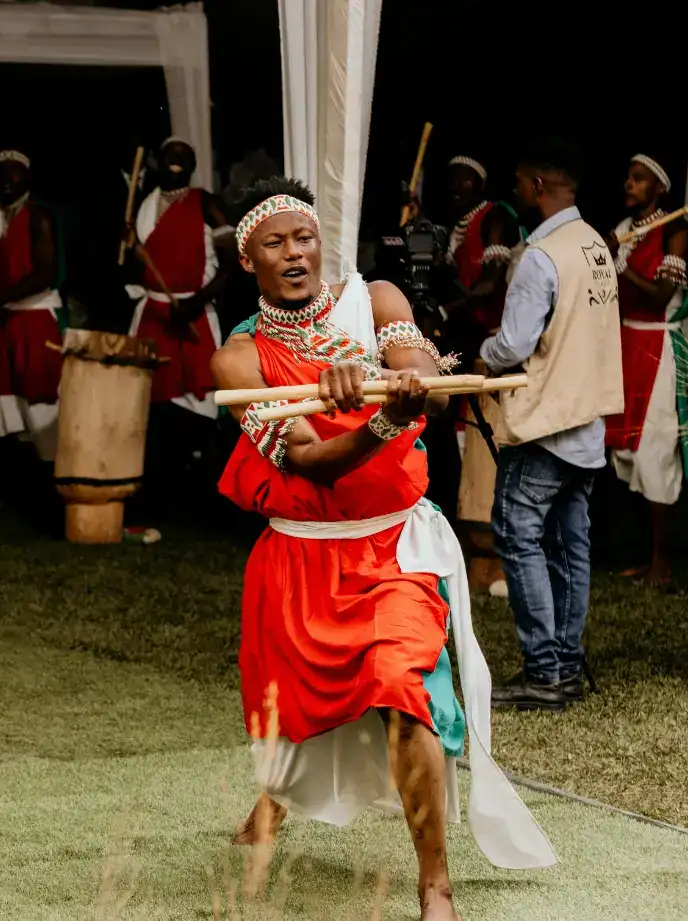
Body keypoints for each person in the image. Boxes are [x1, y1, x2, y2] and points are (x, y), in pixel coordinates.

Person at [211, 178, 554, 921]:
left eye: (304, 236)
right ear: (250, 259)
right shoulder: (239, 358)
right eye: (275, 242)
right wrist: (372, 423)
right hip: (300, 560)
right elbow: (307, 461)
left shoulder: (377, 301)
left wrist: (391, 384)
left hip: (391, 551)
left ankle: (436, 884)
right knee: (297, 714)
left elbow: (423, 373)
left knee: (407, 696)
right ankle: (273, 804)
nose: (295, 252)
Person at [482, 139, 622, 711]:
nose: (516, 188)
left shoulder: (539, 255)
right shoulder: (593, 243)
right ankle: (562, 665)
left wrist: (481, 351)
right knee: (571, 546)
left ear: (538, 184)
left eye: (519, 179)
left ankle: (545, 671)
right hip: (587, 419)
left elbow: (513, 344)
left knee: (520, 537)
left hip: (545, 420)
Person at [120, 137, 236, 511]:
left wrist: (197, 302)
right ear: (155, 159)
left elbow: (234, 261)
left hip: (195, 315)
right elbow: (135, 266)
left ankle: (211, 497)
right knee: (151, 406)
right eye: (170, 154)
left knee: (199, 408)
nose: (176, 162)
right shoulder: (142, 206)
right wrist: (126, 251)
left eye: (185, 158)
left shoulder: (207, 204)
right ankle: (155, 493)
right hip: (153, 315)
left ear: (194, 166)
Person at [604, 154, 688, 586]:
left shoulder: (677, 231)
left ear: (659, 189)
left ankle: (662, 562)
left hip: (658, 345)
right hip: (623, 343)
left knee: (655, 449)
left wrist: (619, 264)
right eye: (628, 177)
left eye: (638, 180)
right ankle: (642, 554)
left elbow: (660, 296)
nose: (629, 184)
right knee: (625, 453)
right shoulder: (625, 230)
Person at [0, 149, 64, 463]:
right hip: (8, 321)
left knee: (41, 402)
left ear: (27, 178)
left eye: (14, 172)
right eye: (1, 172)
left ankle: (57, 476)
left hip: (36, 317)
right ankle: (29, 480)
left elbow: (45, 273)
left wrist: (0, 300)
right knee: (4, 400)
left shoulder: (38, 216)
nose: (6, 179)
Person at [442, 155, 520, 339]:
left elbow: (491, 283)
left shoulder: (495, 217)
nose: (456, 185)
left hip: (495, 332)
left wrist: (446, 311)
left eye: (465, 179)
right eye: (452, 178)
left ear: (481, 185)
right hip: (465, 328)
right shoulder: (454, 224)